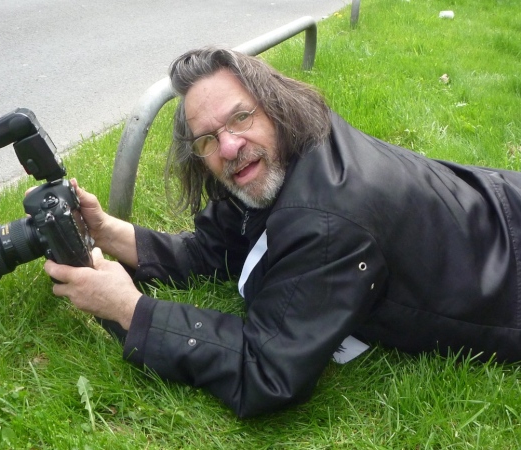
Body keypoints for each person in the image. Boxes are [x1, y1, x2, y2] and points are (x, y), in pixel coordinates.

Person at [43, 47, 521, 418]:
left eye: (240, 117)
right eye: (208, 139)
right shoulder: (286, 148)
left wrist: (129, 309)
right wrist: (106, 231)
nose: (229, 147)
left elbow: (267, 370)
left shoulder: (327, 219)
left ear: (273, 103)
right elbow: (215, 250)